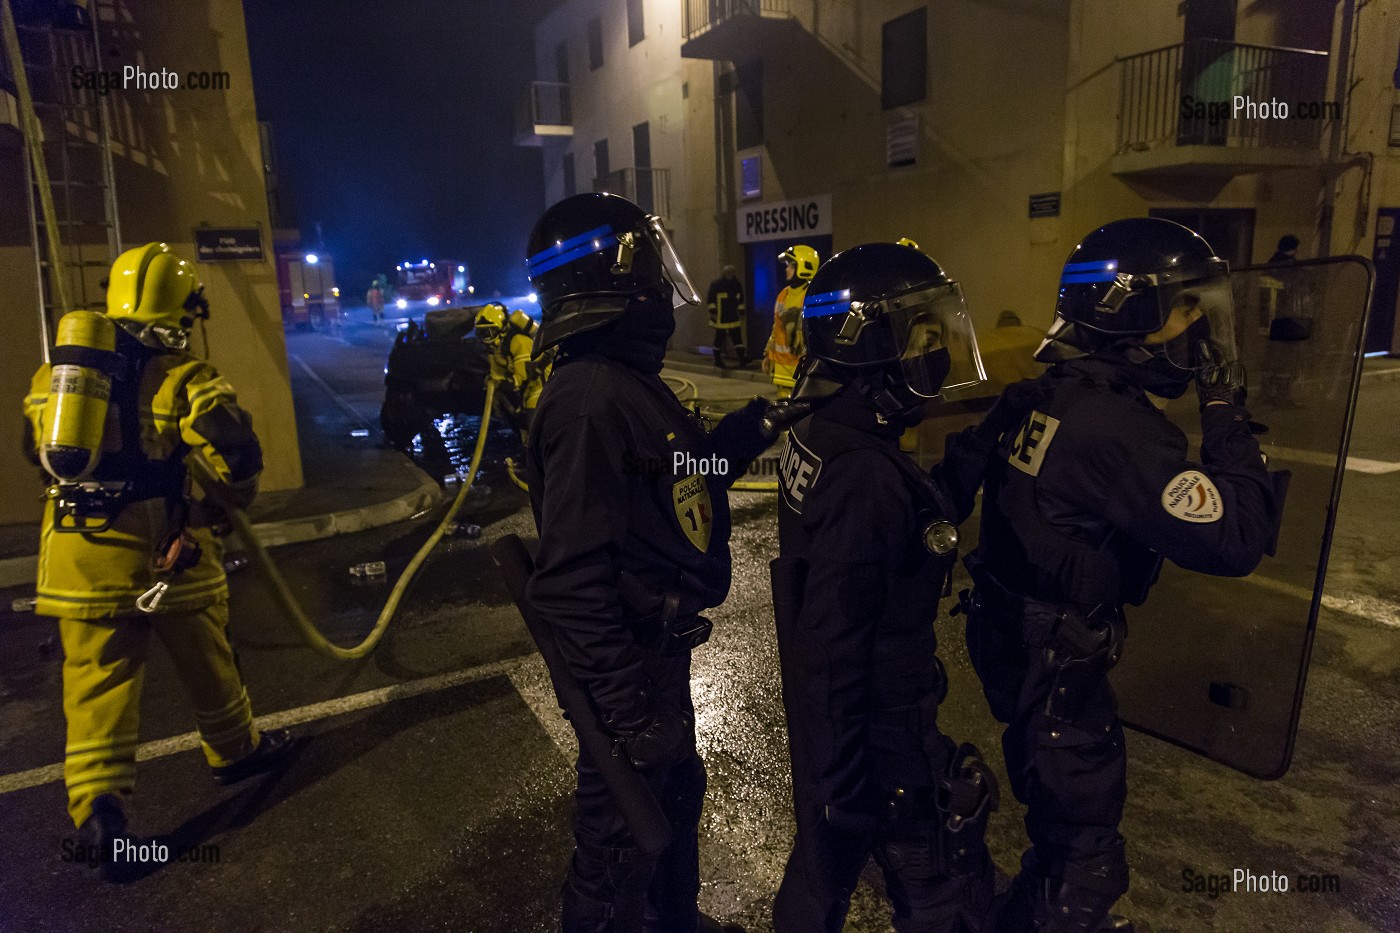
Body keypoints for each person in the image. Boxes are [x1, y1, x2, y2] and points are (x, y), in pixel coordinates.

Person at [963, 218, 1286, 932]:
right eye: (1184, 307)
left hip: (1022, 646)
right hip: (1057, 675)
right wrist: (1226, 412)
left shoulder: (1056, 393)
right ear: (1127, 311)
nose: (1196, 324)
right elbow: (1234, 538)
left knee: (1059, 836)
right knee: (1085, 862)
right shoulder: (1117, 431)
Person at [523, 192, 806, 933]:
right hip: (630, 667)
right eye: (646, 261)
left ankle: (674, 920)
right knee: (618, 841)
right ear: (612, 275)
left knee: (675, 802)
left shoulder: (624, 385)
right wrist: (628, 712)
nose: (659, 281)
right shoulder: (587, 400)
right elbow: (573, 583)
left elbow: (686, 472)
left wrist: (752, 427)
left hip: (658, 657)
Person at [771, 242, 1033, 932]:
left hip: (858, 724)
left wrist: (985, 437)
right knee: (942, 887)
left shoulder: (830, 427)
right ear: (870, 342)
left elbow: (908, 526)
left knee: (821, 870)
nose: (938, 348)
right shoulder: (866, 475)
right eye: (923, 334)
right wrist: (841, 786)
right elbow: (834, 641)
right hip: (881, 729)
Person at [23, 242, 294, 880]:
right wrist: (217, 512)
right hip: (164, 553)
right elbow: (238, 456)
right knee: (207, 645)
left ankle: (99, 812)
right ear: (181, 309)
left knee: (95, 685)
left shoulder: (54, 381)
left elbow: (34, 455)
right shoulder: (184, 378)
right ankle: (235, 750)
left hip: (75, 556)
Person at [474, 302, 551, 441]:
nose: (485, 338)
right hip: (527, 390)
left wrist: (502, 384)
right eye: (481, 333)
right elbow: (496, 377)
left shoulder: (518, 341)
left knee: (535, 425)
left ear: (500, 329)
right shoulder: (495, 350)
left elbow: (523, 376)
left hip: (542, 386)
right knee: (522, 425)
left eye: (488, 332)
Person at [764, 245, 818, 396]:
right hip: (781, 369)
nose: (786, 269)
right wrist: (768, 354)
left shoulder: (810, 295)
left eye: (790, 265)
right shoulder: (783, 294)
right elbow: (776, 328)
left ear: (803, 267)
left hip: (799, 371)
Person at [977, 310, 1046, 391]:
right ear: (1017, 321)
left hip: (998, 394)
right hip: (1034, 390)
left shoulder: (985, 341)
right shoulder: (1037, 335)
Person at [706, 264, 747, 369]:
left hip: (733, 317)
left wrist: (741, 311)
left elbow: (740, 299)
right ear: (724, 273)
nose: (730, 275)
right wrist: (713, 310)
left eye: (732, 273)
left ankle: (742, 358)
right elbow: (710, 299)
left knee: (737, 339)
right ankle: (717, 359)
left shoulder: (736, 284)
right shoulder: (716, 284)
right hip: (721, 317)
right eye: (728, 273)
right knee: (719, 339)